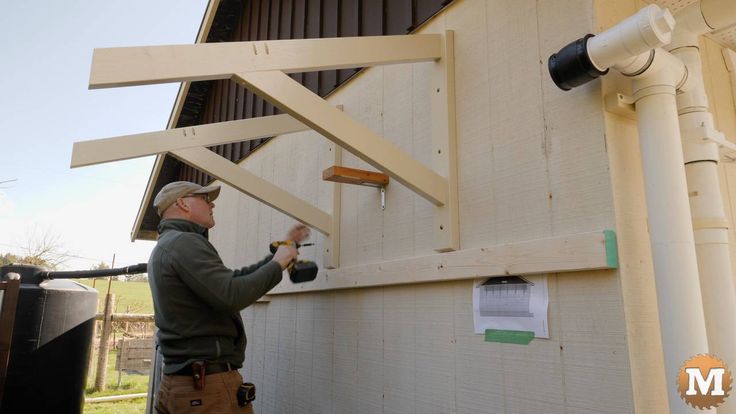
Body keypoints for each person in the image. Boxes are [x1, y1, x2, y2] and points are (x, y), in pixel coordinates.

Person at [148, 181, 309, 413]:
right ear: (182, 203)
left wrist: (279, 255)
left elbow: (231, 281)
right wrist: (279, 262)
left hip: (184, 384)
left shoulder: (170, 244)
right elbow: (231, 295)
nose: (212, 203)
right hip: (205, 390)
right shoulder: (184, 243)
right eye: (204, 198)